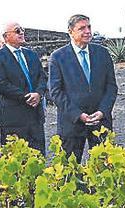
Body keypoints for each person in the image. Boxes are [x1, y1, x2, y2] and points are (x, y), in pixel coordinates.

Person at [48, 14, 118, 162]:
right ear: (70, 32)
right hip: (71, 124)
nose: (87, 31)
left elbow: (111, 87)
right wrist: (78, 114)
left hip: (100, 122)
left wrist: (102, 111)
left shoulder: (102, 53)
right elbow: (56, 92)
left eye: (89, 27)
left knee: (104, 168)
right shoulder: (58, 57)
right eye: (82, 28)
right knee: (70, 171)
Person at [0, 22, 47, 155]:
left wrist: (38, 93)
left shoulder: (32, 55)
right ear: (6, 36)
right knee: (14, 162)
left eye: (22, 30)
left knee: (38, 157)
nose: (22, 33)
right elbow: (1, 84)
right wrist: (27, 97)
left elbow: (42, 78)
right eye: (17, 31)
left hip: (35, 116)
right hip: (12, 118)